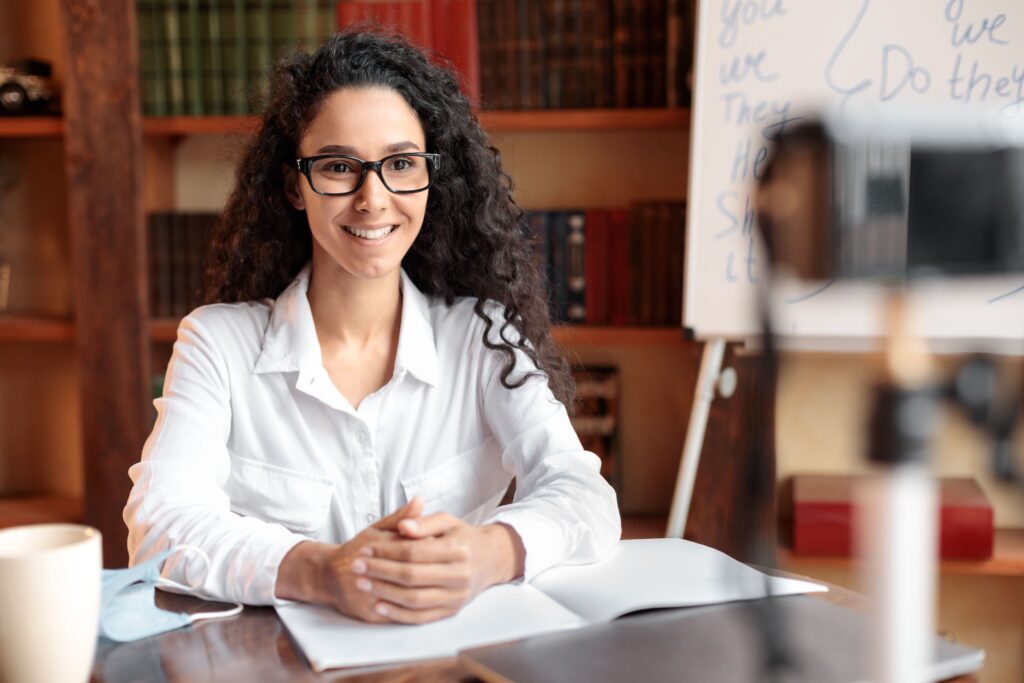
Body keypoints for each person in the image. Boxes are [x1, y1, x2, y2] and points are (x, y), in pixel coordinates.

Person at [124, 28, 620, 625]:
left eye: (401, 164)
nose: (373, 198)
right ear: (295, 186)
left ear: (431, 178)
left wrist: (489, 552)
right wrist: (321, 571)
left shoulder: (484, 338)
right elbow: (159, 526)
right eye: (339, 167)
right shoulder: (216, 344)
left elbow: (584, 496)